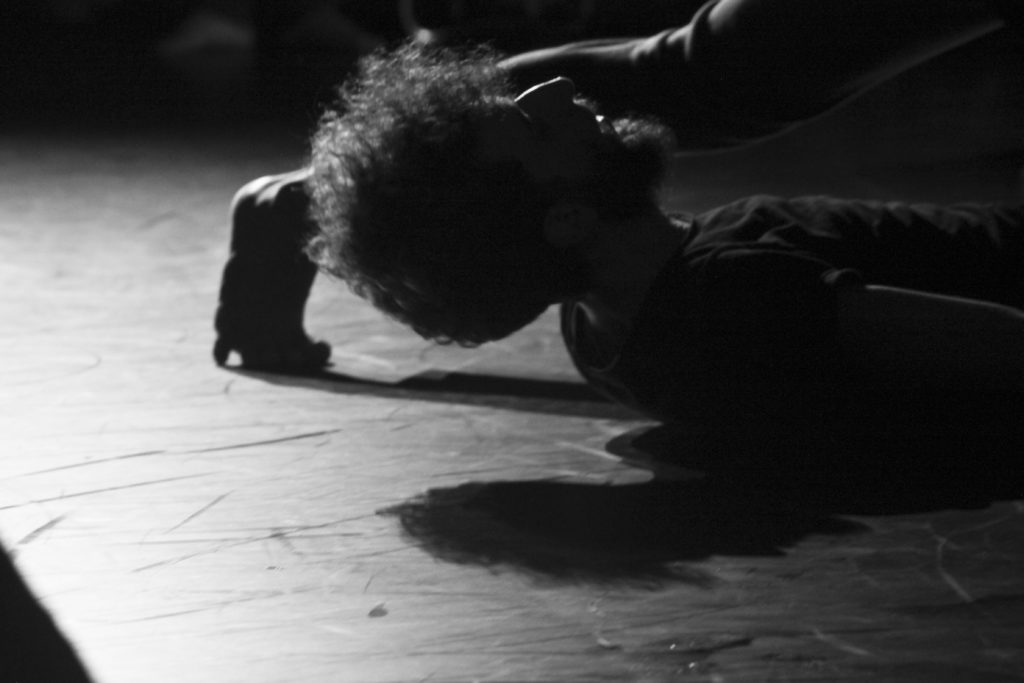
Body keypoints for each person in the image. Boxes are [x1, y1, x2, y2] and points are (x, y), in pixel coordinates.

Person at [214, 0, 1023, 428]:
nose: (560, 91)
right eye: (534, 125)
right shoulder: (730, 295)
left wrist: (367, 197)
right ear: (567, 219)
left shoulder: (605, 333)